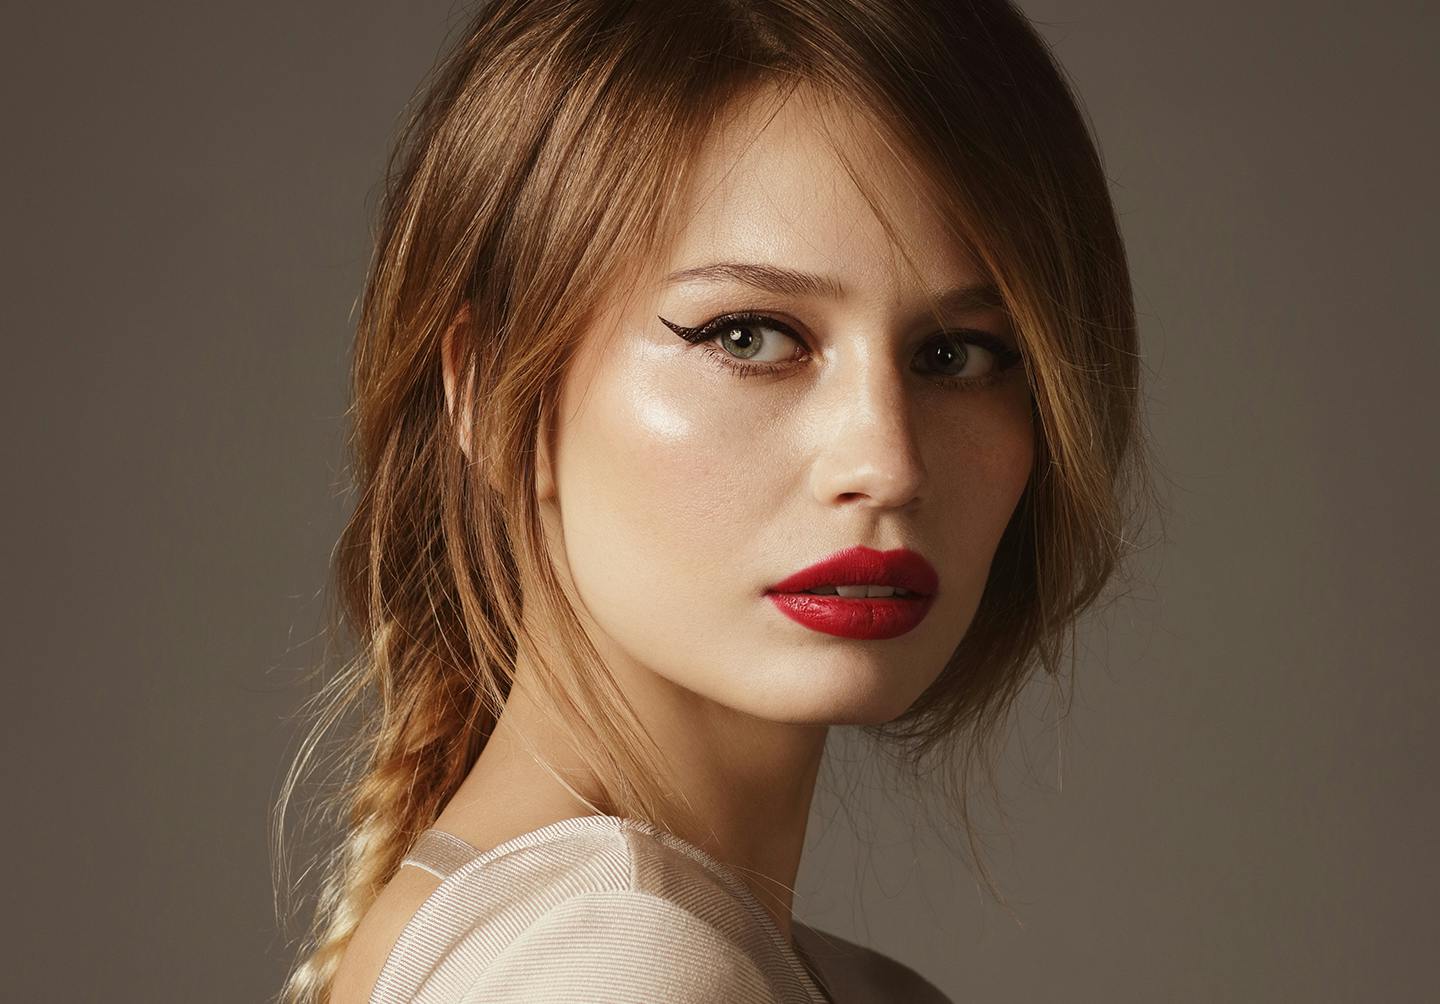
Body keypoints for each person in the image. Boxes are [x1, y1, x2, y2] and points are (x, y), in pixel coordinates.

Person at [275, 1, 1153, 1001]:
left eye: (956, 355)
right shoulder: (622, 964)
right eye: (749, 335)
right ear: (487, 390)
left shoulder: (699, 955)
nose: (888, 459)